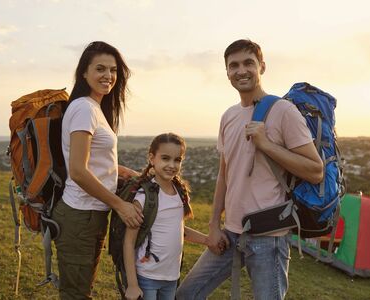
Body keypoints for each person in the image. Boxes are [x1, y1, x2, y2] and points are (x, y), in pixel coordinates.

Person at [176, 39, 324, 300]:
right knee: (187, 294)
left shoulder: (283, 111)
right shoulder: (229, 116)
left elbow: (315, 170)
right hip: (231, 232)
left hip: (269, 236)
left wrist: (266, 144)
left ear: (262, 67)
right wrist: (213, 226)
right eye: (233, 65)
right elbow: (225, 174)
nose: (240, 70)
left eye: (248, 63)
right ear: (227, 73)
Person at [51, 41, 143, 300]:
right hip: (80, 214)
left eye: (113, 70)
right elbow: (78, 171)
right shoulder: (83, 109)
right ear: (84, 73)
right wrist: (120, 205)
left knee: (83, 289)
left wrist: (124, 171)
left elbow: (93, 161)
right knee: (76, 294)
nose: (108, 76)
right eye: (100, 69)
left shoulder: (94, 108)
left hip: (91, 214)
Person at [123, 133, 210, 300]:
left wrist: (207, 240)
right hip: (147, 277)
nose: (171, 165)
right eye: (165, 158)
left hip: (171, 277)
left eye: (177, 160)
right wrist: (133, 285)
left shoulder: (179, 193)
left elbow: (178, 230)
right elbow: (129, 242)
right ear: (152, 158)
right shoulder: (144, 197)